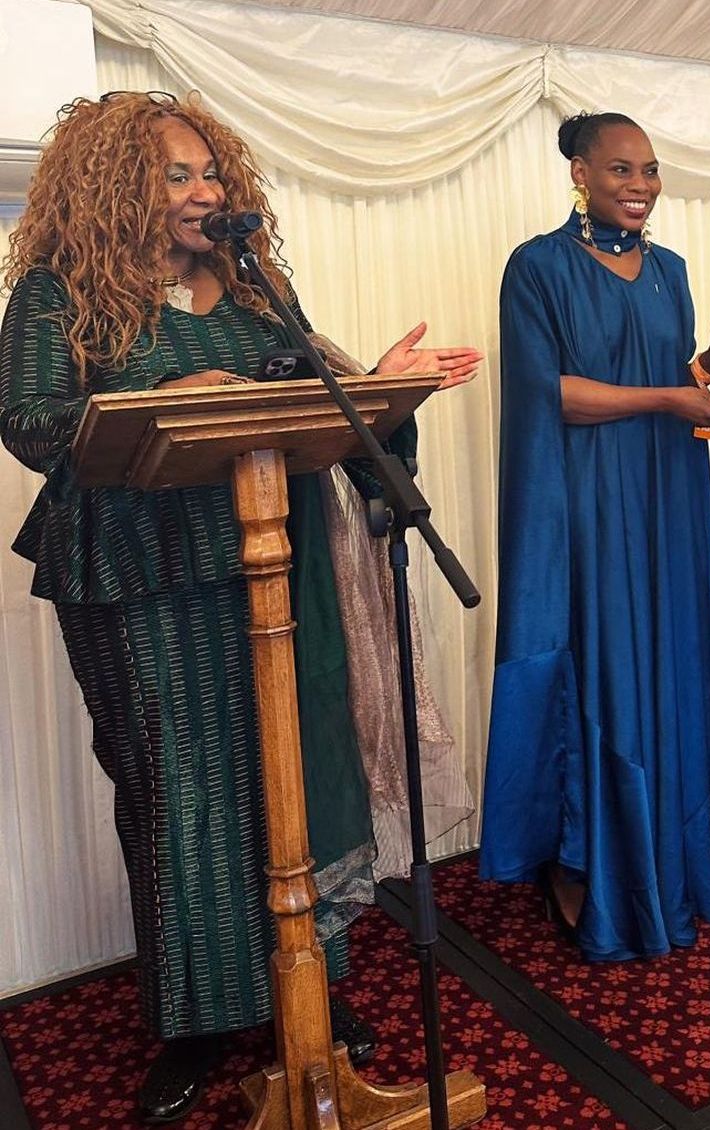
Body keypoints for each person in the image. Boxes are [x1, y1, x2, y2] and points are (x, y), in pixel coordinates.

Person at [0, 91, 480, 1122]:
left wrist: (383, 385)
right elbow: (32, 423)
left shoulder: (256, 285)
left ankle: (301, 995)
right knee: (182, 796)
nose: (205, 191)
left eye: (210, 172)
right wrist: (178, 401)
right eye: (177, 175)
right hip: (137, 580)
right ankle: (196, 1020)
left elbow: (319, 393)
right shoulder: (58, 291)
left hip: (268, 566)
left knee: (286, 784)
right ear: (115, 184)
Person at [479, 111, 710, 962]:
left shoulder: (671, 271)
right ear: (580, 175)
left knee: (660, 668)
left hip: (665, 502)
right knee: (596, 671)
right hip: (585, 509)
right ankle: (580, 855)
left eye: (651, 170)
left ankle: (658, 856)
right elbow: (548, 393)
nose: (639, 185)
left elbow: (683, 384)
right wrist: (670, 399)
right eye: (621, 170)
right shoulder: (537, 267)